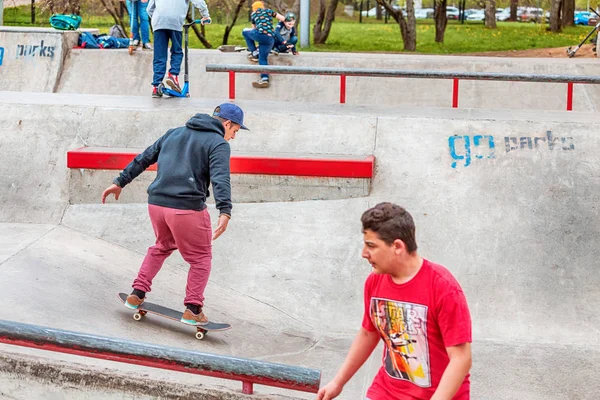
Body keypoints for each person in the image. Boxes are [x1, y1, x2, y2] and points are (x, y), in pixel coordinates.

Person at [101, 103, 249, 325]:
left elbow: (145, 157)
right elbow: (220, 177)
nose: (233, 137)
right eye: (235, 131)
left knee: (161, 246)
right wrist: (225, 210)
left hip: (157, 205)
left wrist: (120, 181)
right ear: (227, 123)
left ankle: (137, 293)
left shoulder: (174, 133)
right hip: (186, 209)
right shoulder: (218, 144)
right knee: (200, 259)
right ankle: (193, 308)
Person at [318, 203, 472, 400]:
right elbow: (368, 332)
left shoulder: (443, 287)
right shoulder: (375, 281)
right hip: (386, 392)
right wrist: (338, 383)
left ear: (398, 246)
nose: (364, 253)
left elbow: (461, 359)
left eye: (371, 246)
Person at [147, 0, 211, 98]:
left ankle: (156, 85)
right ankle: (173, 75)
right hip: (175, 21)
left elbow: (149, 9)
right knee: (177, 51)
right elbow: (199, 2)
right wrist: (205, 15)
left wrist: (158, 20)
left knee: (159, 55)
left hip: (158, 21)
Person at [242, 1, 285, 89]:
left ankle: (254, 53)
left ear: (254, 9)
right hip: (270, 39)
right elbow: (283, 18)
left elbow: (254, 29)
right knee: (263, 58)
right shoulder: (269, 11)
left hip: (260, 35)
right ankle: (265, 78)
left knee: (245, 31)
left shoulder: (254, 14)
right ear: (262, 7)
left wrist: (256, 42)